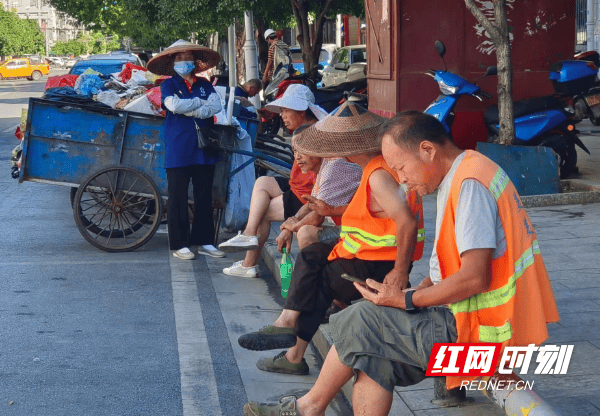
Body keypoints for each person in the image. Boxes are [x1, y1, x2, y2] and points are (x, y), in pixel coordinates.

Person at [242, 111, 560, 416]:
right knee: (373, 358)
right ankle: (310, 407)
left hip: (483, 337)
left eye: (402, 168)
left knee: (362, 319)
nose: (403, 180)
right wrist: (425, 286)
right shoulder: (471, 170)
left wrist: (406, 298)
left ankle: (309, 408)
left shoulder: (469, 184)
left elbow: (474, 278)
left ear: (427, 151)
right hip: (480, 322)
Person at [237, 102, 425, 377]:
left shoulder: (378, 174)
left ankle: (292, 344)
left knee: (317, 282)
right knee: (312, 257)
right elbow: (376, 212)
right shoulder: (374, 168)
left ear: (350, 148)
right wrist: (330, 211)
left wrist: (398, 270)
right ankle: (290, 338)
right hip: (366, 255)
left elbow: (406, 221)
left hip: (380, 264)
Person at [218, 84, 328, 277]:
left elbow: (318, 183)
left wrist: (292, 225)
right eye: (282, 110)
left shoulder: (313, 135)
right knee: (262, 182)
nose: (282, 116)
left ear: (301, 111)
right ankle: (249, 236)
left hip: (307, 196)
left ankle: (248, 262)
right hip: (297, 187)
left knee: (263, 211)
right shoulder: (305, 130)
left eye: (286, 110)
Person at [147, 40, 226, 260]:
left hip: (204, 148)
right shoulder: (168, 85)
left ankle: (206, 241)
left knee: (204, 196)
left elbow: (216, 106)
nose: (184, 61)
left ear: (194, 61)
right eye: (179, 58)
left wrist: (189, 105)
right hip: (179, 147)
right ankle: (180, 244)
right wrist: (199, 105)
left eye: (188, 57)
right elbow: (173, 106)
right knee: (177, 197)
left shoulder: (204, 84)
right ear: (173, 63)